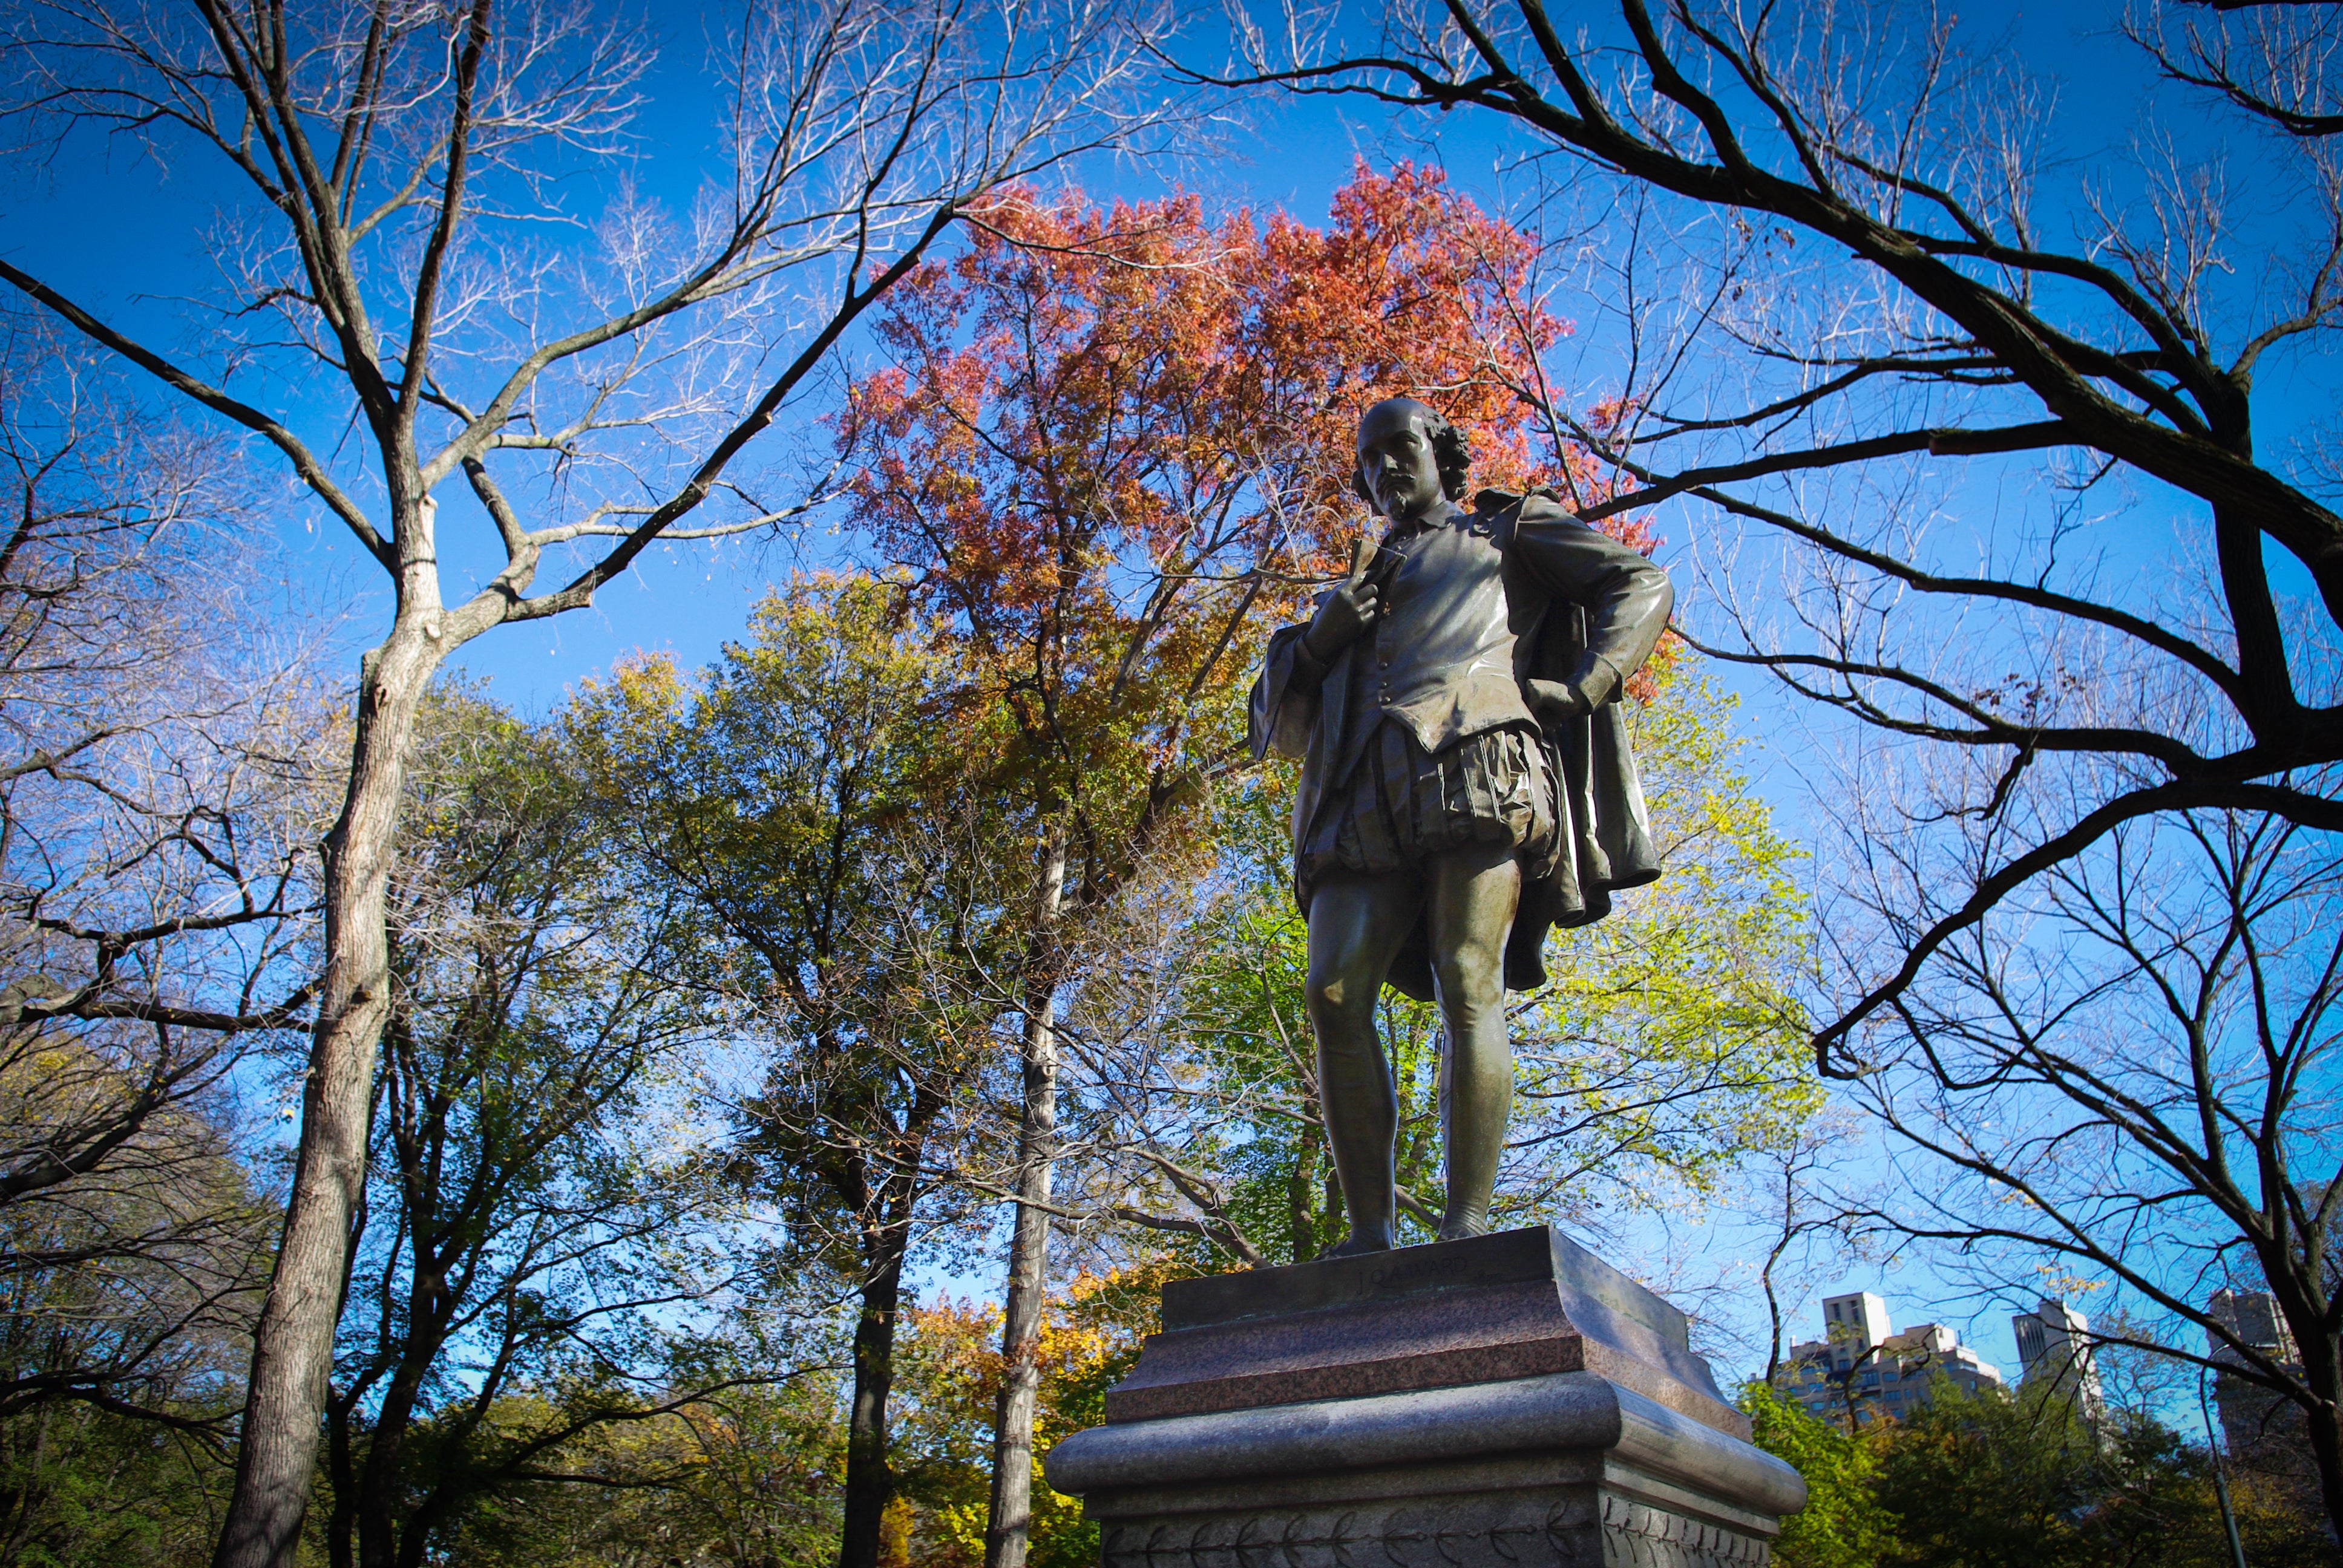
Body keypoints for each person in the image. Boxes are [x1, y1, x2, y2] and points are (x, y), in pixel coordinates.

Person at [1248, 396, 1674, 1256]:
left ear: (1443, 453)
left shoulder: (1506, 534)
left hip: (1476, 763)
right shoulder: (1355, 579)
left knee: (1465, 979)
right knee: (1332, 992)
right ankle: (1370, 1234)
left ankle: (1465, 1225)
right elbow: (1273, 714)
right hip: (1362, 787)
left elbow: (1640, 580)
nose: (1383, 470)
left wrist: (1588, 683)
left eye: (1399, 449)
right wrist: (1323, 639)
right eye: (1368, 462)